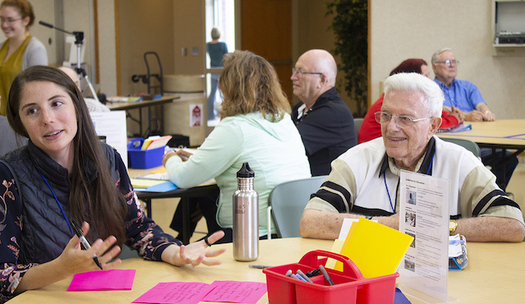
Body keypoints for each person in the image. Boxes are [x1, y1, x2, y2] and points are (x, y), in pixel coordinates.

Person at [0, 66, 225, 302]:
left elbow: (137, 227)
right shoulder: (9, 175)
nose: (47, 119)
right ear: (20, 122)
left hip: (100, 296)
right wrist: (61, 268)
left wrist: (175, 252)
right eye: (32, 111)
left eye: (56, 103)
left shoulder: (107, 158)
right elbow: (3, 276)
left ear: (76, 106)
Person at [299, 72, 525, 242]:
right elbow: (311, 222)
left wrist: (438, 227)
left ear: (433, 126)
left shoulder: (460, 164)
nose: (391, 128)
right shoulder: (356, 160)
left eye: (406, 119)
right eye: (386, 116)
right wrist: (387, 225)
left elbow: (512, 225)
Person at [163, 50, 311, 243]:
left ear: (230, 86)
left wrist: (171, 158)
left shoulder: (235, 128)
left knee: (183, 257)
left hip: (252, 236)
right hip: (290, 229)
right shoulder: (283, 119)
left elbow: (184, 177)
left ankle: (180, 238)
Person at [431, 48, 518, 190]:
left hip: (478, 142)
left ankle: (491, 195)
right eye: (447, 62)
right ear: (434, 67)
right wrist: (467, 116)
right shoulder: (430, 89)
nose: (452, 65)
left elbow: (481, 105)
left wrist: (487, 113)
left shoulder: (467, 86)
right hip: (448, 144)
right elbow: (442, 112)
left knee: (508, 158)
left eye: (454, 61)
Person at [358, 58, 464, 144]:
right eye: (424, 76)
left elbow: (429, 114)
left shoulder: (406, 100)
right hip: (375, 155)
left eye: (428, 75)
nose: (429, 80)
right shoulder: (392, 102)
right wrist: (454, 119)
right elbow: (426, 122)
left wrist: (451, 114)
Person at [291, 49, 356, 176]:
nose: (293, 77)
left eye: (300, 72)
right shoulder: (300, 108)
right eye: (294, 71)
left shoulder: (332, 113)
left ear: (322, 79)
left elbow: (288, 146)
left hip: (324, 191)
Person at [0, 0, 47, 116]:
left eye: (10, 20)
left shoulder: (35, 49)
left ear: (26, 20)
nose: (4, 25)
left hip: (20, 119)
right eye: (1, 19)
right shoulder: (2, 47)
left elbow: (38, 90)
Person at [206, 27, 228, 121]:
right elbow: (227, 57)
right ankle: (225, 113)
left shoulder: (208, 45)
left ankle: (210, 114)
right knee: (223, 93)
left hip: (212, 70)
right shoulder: (223, 45)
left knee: (213, 92)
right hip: (221, 70)